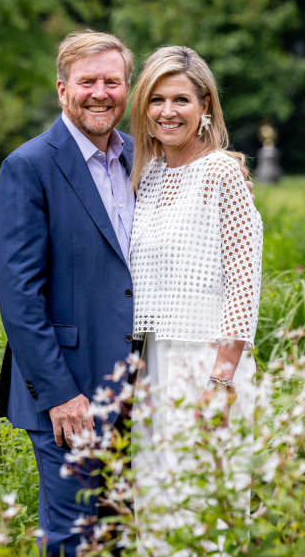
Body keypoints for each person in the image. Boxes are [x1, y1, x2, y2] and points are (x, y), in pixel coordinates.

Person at [0, 32, 253, 556]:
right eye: (87, 81)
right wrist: (61, 395)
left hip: (145, 383)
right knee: (74, 536)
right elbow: (19, 297)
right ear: (62, 88)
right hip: (70, 392)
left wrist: (228, 170)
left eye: (112, 81)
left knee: (136, 530)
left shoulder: (147, 159)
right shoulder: (30, 166)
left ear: (126, 88)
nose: (99, 93)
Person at [127, 46, 263, 552]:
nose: (168, 111)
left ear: (205, 105)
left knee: (204, 509)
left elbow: (243, 281)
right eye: (156, 99)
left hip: (207, 362)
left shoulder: (223, 174)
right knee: (155, 507)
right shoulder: (146, 174)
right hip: (149, 364)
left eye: (181, 99)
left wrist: (222, 379)